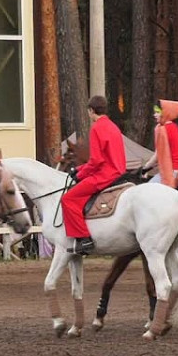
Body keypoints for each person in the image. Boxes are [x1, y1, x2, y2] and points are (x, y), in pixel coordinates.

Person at [62, 96, 127, 255]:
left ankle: (84, 239)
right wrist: (79, 169)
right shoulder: (113, 126)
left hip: (105, 175)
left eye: (89, 112)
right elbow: (103, 158)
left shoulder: (97, 128)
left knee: (68, 199)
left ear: (91, 111)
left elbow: (97, 161)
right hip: (118, 171)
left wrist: (80, 174)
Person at [142, 99, 178, 187]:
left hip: (170, 173)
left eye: (157, 112)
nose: (155, 115)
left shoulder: (162, 129)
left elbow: (158, 155)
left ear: (165, 113)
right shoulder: (177, 128)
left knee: (148, 189)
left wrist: (144, 168)